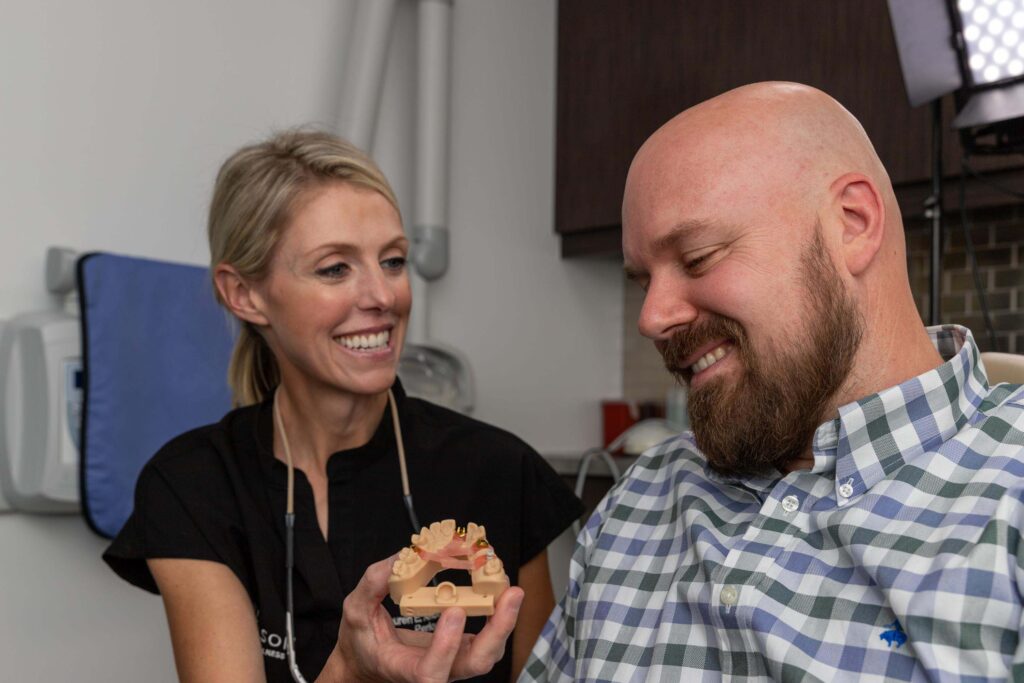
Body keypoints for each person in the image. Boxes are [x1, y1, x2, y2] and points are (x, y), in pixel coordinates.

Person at [523, 81, 1024, 681]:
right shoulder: (636, 503)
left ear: (854, 224)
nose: (652, 319)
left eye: (699, 257)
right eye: (642, 281)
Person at [102, 129, 583, 682]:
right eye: (335, 268)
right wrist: (352, 671)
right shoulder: (194, 485)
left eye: (394, 261)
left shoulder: (499, 471)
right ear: (244, 294)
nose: (383, 296)